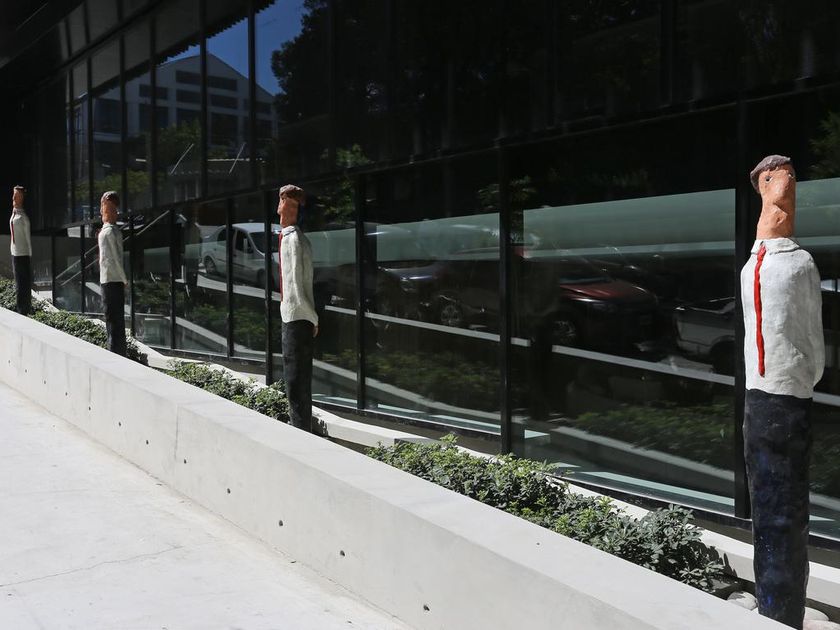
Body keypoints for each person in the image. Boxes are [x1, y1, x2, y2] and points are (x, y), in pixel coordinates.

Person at [741, 155, 824, 629]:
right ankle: (771, 608)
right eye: (774, 180)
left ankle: (782, 611)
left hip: (786, 396)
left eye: (788, 178)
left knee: (785, 509)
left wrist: (802, 378)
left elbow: (811, 330)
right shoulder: (756, 263)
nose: (784, 187)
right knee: (769, 505)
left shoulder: (797, 263)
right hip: (762, 396)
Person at [277, 184, 318, 431]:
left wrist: (312, 318)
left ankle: (301, 432)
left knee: (296, 381)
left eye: (291, 205)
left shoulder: (293, 240)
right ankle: (300, 429)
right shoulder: (291, 238)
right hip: (292, 315)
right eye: (285, 202)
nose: (285, 208)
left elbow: (297, 284)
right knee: (294, 380)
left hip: (297, 317)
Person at [98, 191, 129, 356]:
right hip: (108, 280)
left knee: (113, 319)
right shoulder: (108, 231)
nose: (105, 212)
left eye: (111, 209)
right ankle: (116, 350)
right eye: (104, 208)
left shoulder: (110, 232)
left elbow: (117, 258)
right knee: (112, 318)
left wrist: (124, 279)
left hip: (112, 281)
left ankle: (116, 351)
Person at [9, 185, 32, 315]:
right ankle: (20, 306)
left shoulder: (23, 218)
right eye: (13, 195)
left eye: (16, 196)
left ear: (22, 198)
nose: (13, 198)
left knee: (23, 282)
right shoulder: (14, 214)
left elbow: (28, 238)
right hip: (14, 252)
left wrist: (29, 254)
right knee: (18, 281)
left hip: (22, 254)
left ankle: (24, 308)